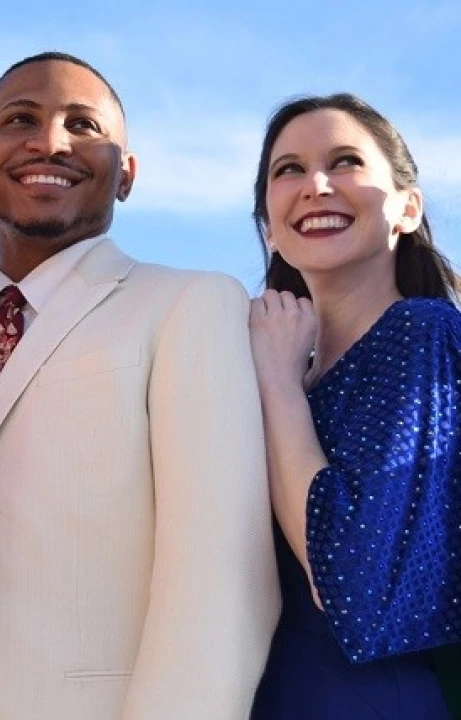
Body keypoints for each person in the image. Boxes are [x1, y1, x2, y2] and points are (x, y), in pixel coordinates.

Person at [0, 51, 280, 719]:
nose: (50, 142)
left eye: (82, 125)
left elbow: (221, 578)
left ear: (125, 174)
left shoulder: (190, 306)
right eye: (20, 119)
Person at [247, 92, 461, 719]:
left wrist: (278, 384)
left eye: (345, 162)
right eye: (288, 169)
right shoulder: (275, 364)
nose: (315, 185)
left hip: (366, 699)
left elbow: (352, 585)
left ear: (406, 209)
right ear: (269, 227)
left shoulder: (422, 333)